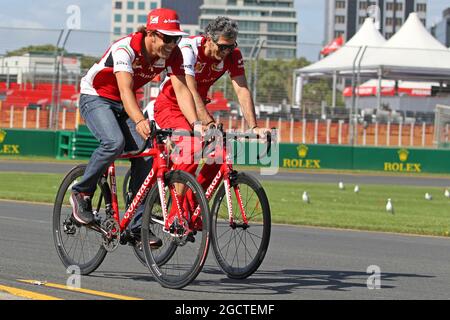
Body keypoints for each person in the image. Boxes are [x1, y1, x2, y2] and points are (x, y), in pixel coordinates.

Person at [70, 8, 200, 246]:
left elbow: (182, 90)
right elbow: (125, 90)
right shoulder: (125, 48)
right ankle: (82, 192)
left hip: (122, 104)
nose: (173, 43)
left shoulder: (173, 54)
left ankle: (136, 225)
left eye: (177, 38)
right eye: (167, 38)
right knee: (114, 142)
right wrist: (140, 120)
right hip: (96, 97)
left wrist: (196, 125)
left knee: (148, 156)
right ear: (150, 34)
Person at [153, 16, 269, 214]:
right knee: (191, 149)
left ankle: (192, 205)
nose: (226, 52)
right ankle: (176, 214)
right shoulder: (188, 48)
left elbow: (241, 89)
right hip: (171, 106)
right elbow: (190, 89)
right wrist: (207, 122)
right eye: (223, 47)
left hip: (198, 109)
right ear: (208, 38)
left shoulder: (233, 55)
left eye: (231, 47)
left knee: (219, 154)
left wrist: (254, 126)